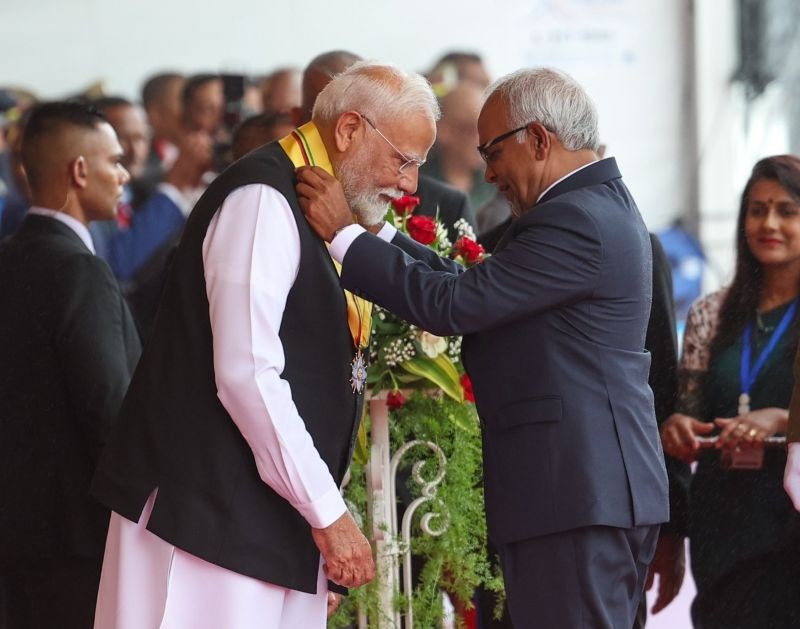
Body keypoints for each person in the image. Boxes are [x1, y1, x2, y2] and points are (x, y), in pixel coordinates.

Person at [298, 66, 668, 628]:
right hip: (582, 492)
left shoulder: (576, 218)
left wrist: (343, 235)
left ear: (538, 139)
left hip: (576, 492)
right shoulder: (590, 207)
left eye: (493, 153)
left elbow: (454, 305)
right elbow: (475, 286)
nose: (489, 174)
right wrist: (376, 233)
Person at [90, 61, 439, 628]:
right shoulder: (263, 197)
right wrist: (328, 515)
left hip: (269, 519)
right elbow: (247, 373)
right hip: (207, 518)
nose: (410, 185)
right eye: (404, 160)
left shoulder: (330, 206)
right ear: (349, 129)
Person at [0, 101, 141, 628]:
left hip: (17, 533)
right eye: (114, 161)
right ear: (80, 171)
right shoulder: (78, 269)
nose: (124, 175)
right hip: (80, 539)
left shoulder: (8, 257)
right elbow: (109, 413)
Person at [663, 155, 800, 628]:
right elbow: (688, 414)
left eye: (786, 211)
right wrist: (678, 427)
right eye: (757, 210)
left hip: (790, 516)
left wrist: (782, 419)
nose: (769, 224)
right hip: (721, 519)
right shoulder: (709, 313)